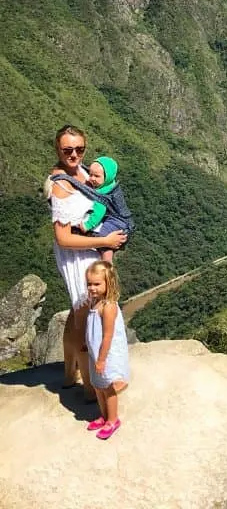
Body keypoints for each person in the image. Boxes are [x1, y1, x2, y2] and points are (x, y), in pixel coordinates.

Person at [45, 126, 127, 394]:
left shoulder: (84, 172)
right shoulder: (60, 186)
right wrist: (105, 242)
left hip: (90, 247)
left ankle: (71, 374)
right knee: (90, 318)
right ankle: (92, 388)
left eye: (79, 149)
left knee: (79, 310)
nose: (74, 155)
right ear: (57, 149)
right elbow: (63, 238)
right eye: (68, 150)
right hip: (76, 253)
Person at [57, 155, 135, 264]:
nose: (91, 178)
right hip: (124, 219)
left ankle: (107, 263)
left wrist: (87, 225)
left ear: (106, 177)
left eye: (96, 176)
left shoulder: (104, 193)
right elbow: (94, 173)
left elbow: (99, 212)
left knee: (105, 239)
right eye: (90, 174)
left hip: (119, 221)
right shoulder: (108, 183)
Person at [84, 260, 129, 439]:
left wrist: (102, 360)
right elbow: (93, 329)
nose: (92, 288)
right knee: (97, 386)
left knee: (108, 388)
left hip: (106, 355)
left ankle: (112, 419)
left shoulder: (108, 307)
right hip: (95, 353)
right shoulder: (94, 302)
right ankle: (103, 417)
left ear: (108, 283)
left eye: (97, 284)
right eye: (89, 284)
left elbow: (108, 336)